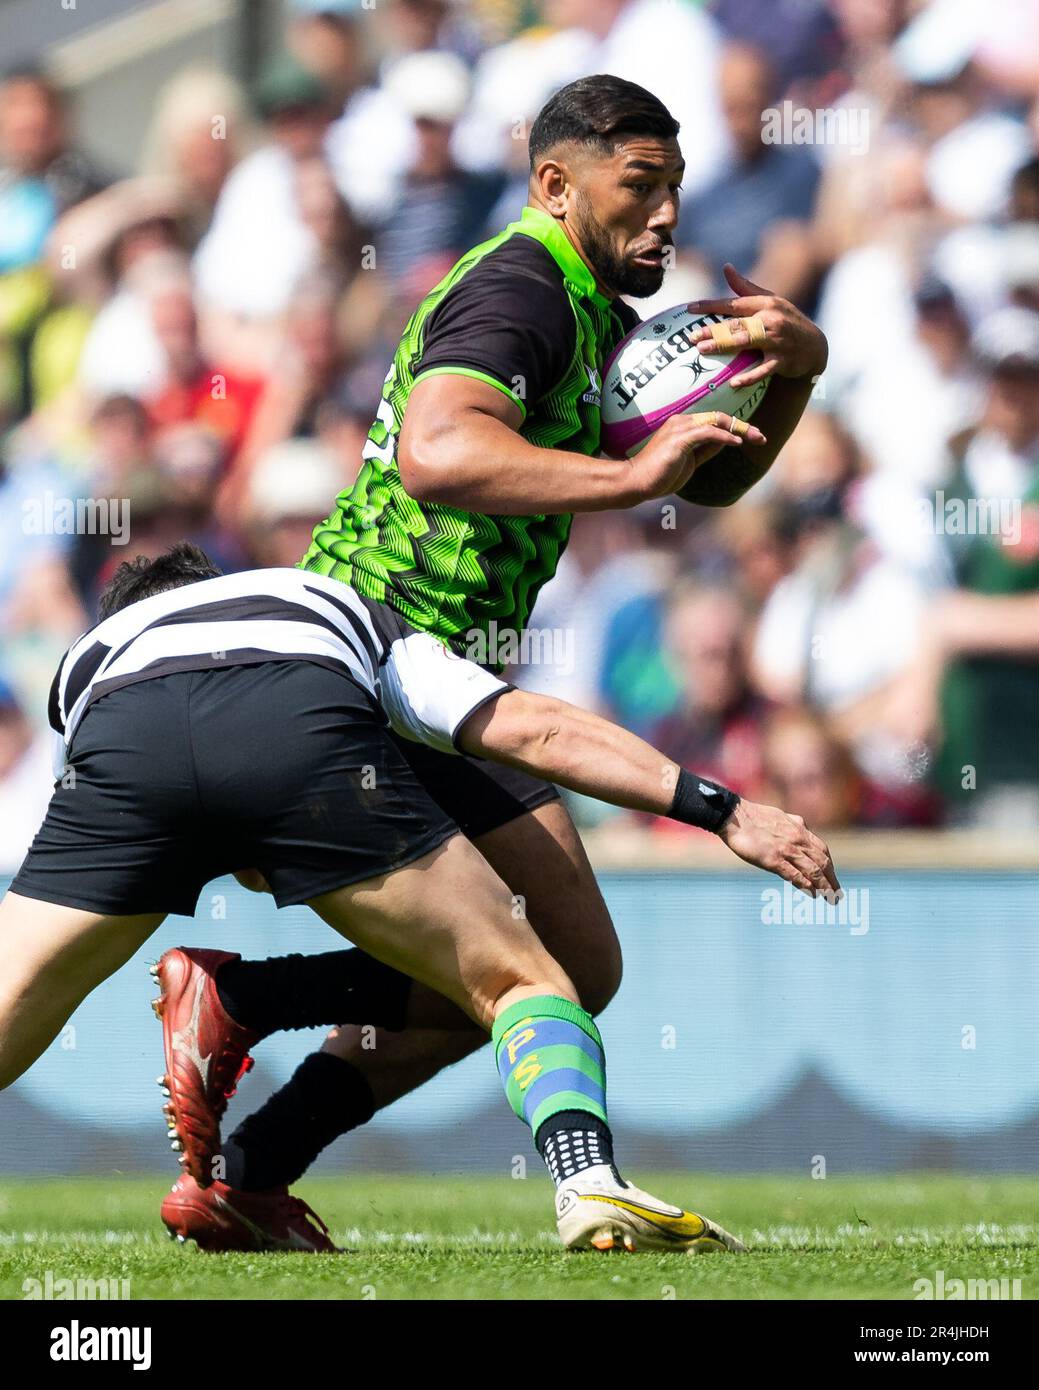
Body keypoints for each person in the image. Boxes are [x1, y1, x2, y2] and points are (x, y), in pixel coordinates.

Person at [292, 73, 831, 1184]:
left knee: (573, 959)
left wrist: (796, 372)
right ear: (555, 182)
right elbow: (439, 453)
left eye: (676, 186)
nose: (668, 214)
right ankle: (246, 1042)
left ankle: (248, 1134)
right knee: (535, 961)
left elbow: (713, 484)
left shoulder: (591, 310)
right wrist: (629, 476)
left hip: (441, 666)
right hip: (379, 645)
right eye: (640, 184)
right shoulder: (525, 290)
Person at [0, 543, 839, 1254]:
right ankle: (588, 1183)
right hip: (297, 709)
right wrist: (720, 809)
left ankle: (244, 1063)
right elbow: (531, 730)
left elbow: (192, 802)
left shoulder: (86, 660)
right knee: (524, 978)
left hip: (119, 729)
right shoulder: (319, 599)